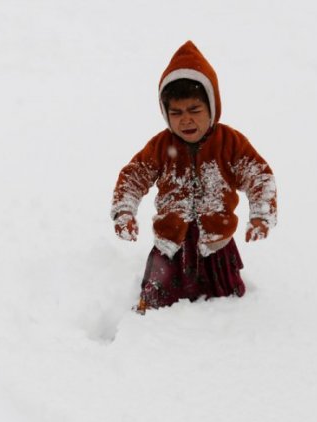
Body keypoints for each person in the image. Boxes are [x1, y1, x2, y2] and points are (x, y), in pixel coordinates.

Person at [111, 40, 277, 314]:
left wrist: (261, 213)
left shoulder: (230, 142)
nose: (185, 120)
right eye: (175, 113)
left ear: (212, 108)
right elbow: (134, 176)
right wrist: (124, 212)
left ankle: (230, 321)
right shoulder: (161, 146)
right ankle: (147, 318)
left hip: (216, 241)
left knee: (225, 300)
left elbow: (258, 175)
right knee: (158, 296)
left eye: (194, 110)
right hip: (171, 241)